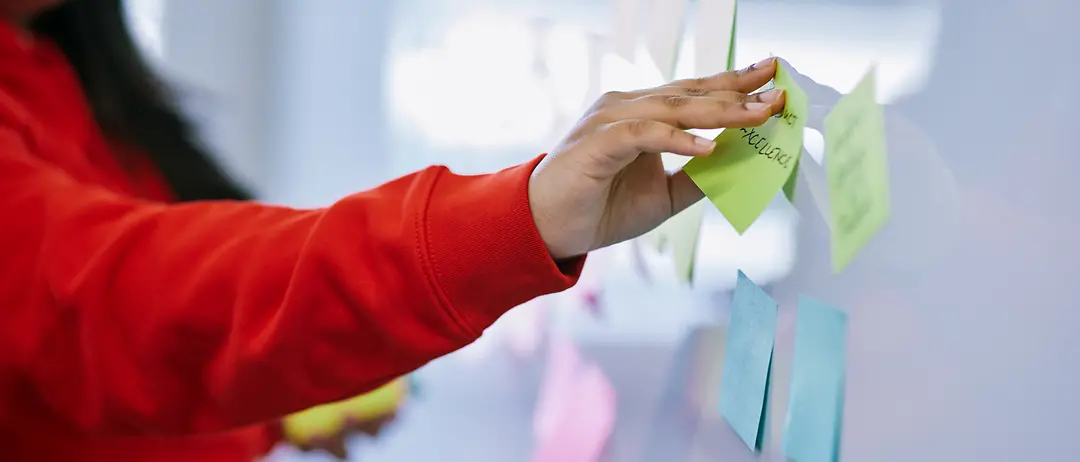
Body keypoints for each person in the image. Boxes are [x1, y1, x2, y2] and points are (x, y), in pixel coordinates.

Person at [0, 0, 786, 460]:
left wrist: (274, 409)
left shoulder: (57, 48)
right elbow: (120, 308)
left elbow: (106, 365)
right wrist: (514, 223)